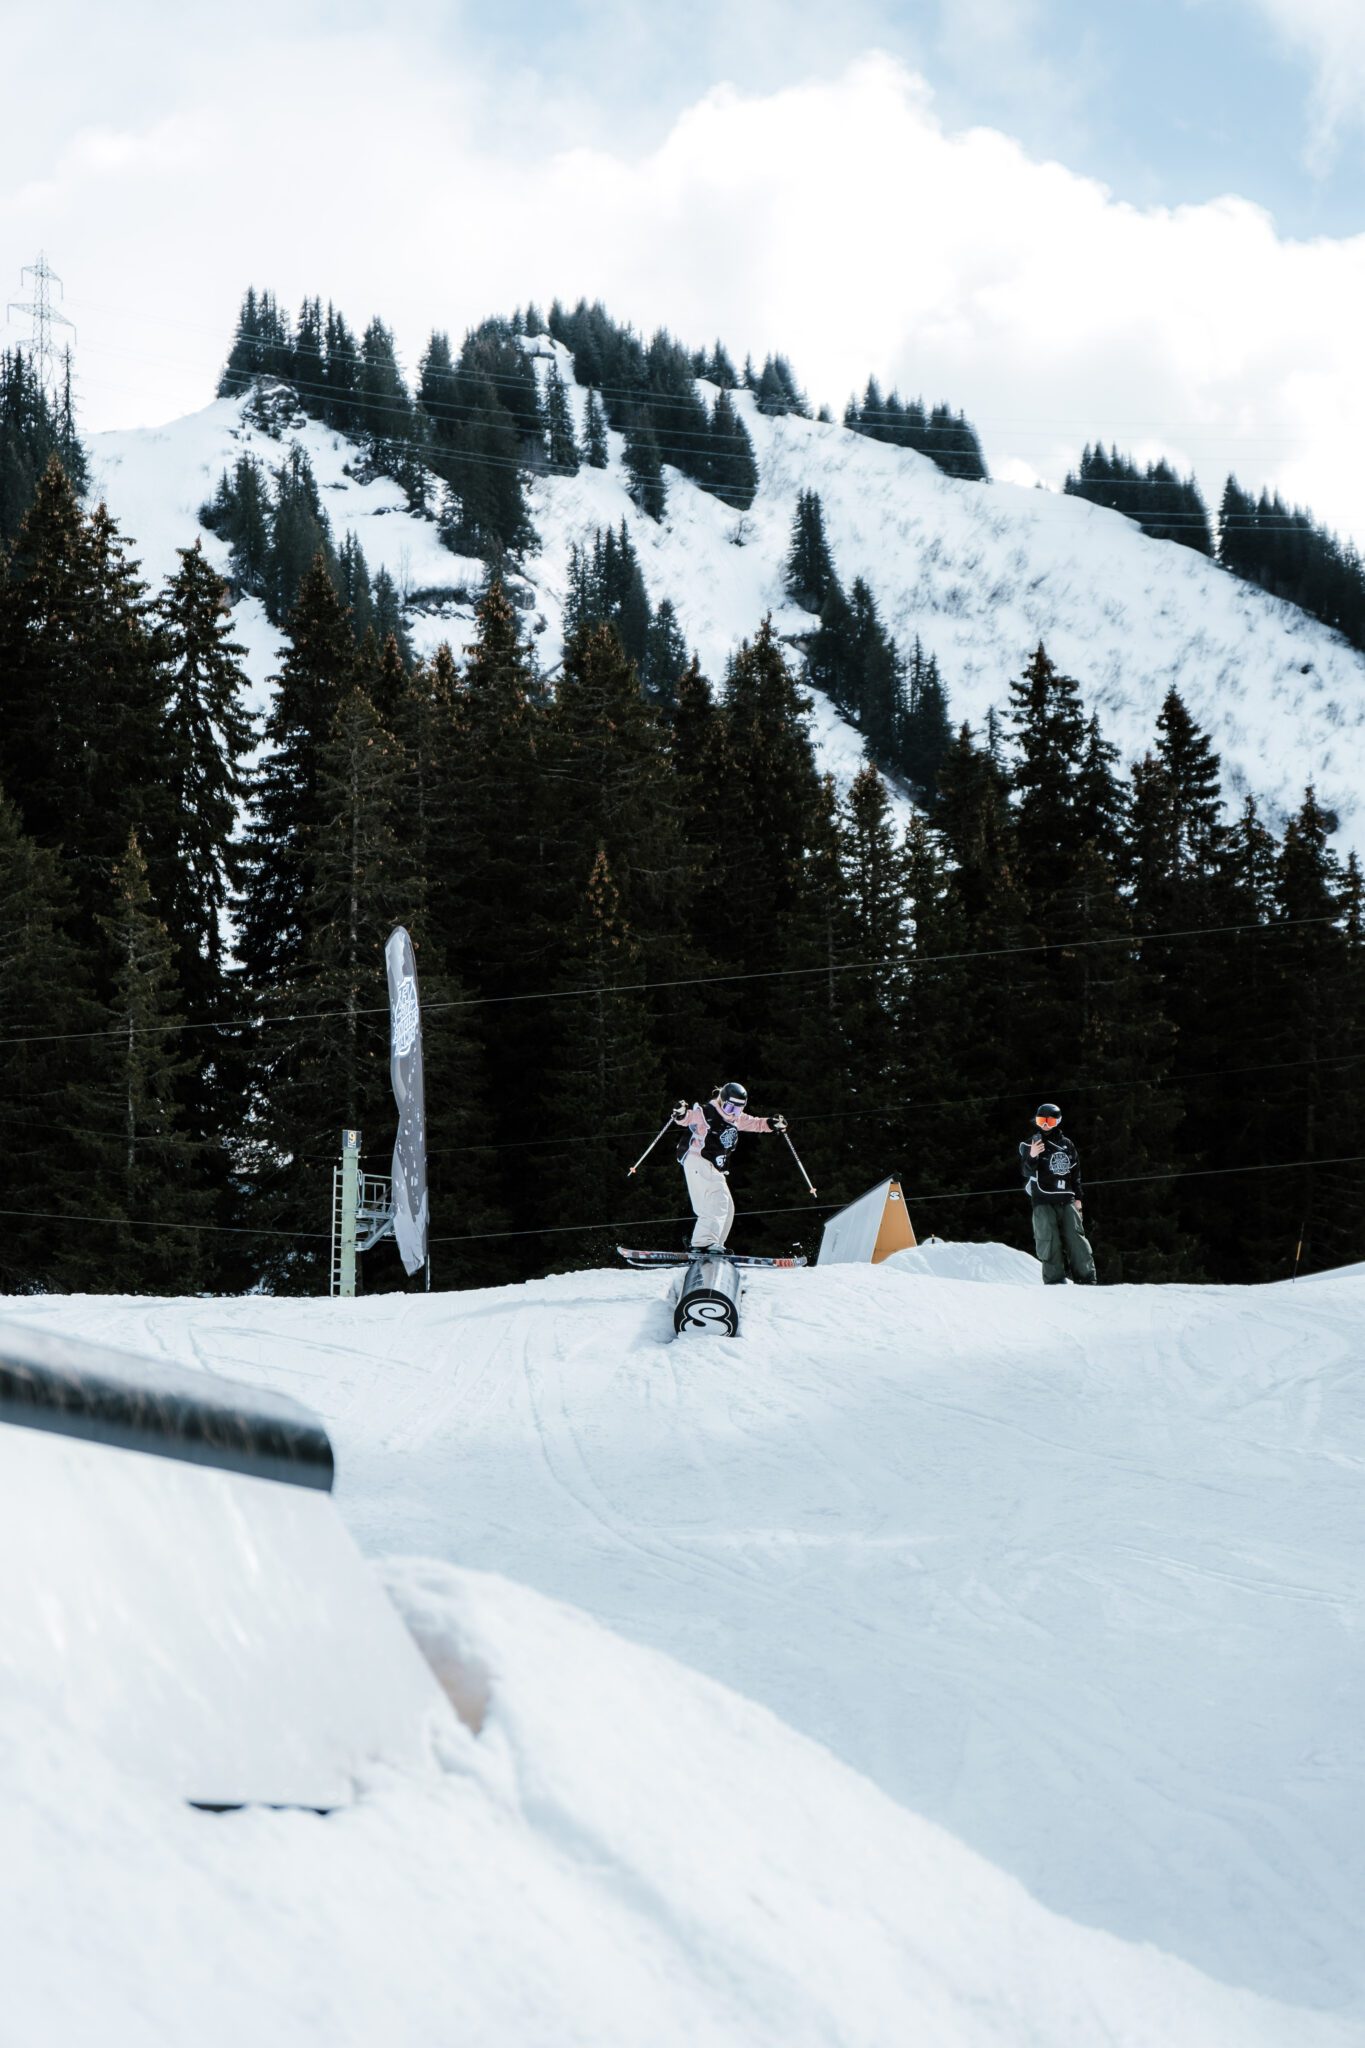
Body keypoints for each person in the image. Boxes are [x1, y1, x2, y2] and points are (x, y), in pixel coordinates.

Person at [672, 1082, 786, 1252]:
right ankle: (702, 1243)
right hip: (698, 1159)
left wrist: (771, 1124)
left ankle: (714, 1245)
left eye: (738, 1109)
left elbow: (756, 1123)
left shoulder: (736, 1119)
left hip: (713, 1166)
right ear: (721, 1101)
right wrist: (680, 1113)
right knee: (717, 1200)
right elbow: (687, 1118)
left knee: (728, 1207)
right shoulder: (707, 1112)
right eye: (729, 1107)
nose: (733, 1113)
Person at [1019, 1102, 1096, 1285]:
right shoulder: (1031, 1143)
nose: (1046, 1125)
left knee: (1077, 1240)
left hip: (1066, 1198)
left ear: (1058, 1121)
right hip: (1043, 1200)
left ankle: (1086, 1280)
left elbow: (1075, 1175)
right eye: (1041, 1121)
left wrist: (1078, 1199)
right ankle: (1055, 1282)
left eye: (1050, 1121)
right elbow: (1026, 1171)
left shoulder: (1067, 1144)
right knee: (1049, 1241)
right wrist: (1032, 1155)